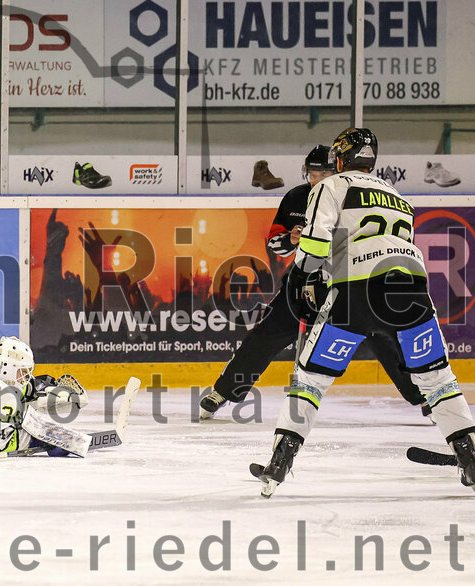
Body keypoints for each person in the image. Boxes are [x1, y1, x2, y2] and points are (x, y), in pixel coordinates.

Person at [254, 128, 475, 496]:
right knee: (439, 381)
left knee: (311, 380)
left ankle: (282, 458)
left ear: (340, 157)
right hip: (413, 292)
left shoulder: (331, 185)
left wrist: (305, 277)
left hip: (357, 289)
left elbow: (315, 242)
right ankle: (469, 456)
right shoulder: (397, 195)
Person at [200, 145, 429, 420]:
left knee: (381, 335)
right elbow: (276, 243)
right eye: (312, 173)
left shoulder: (348, 194)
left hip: (348, 279)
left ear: (338, 170)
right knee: (268, 332)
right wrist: (291, 240)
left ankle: (424, 395)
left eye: (324, 172)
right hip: (304, 277)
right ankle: (225, 391)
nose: (317, 179)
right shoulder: (297, 197)